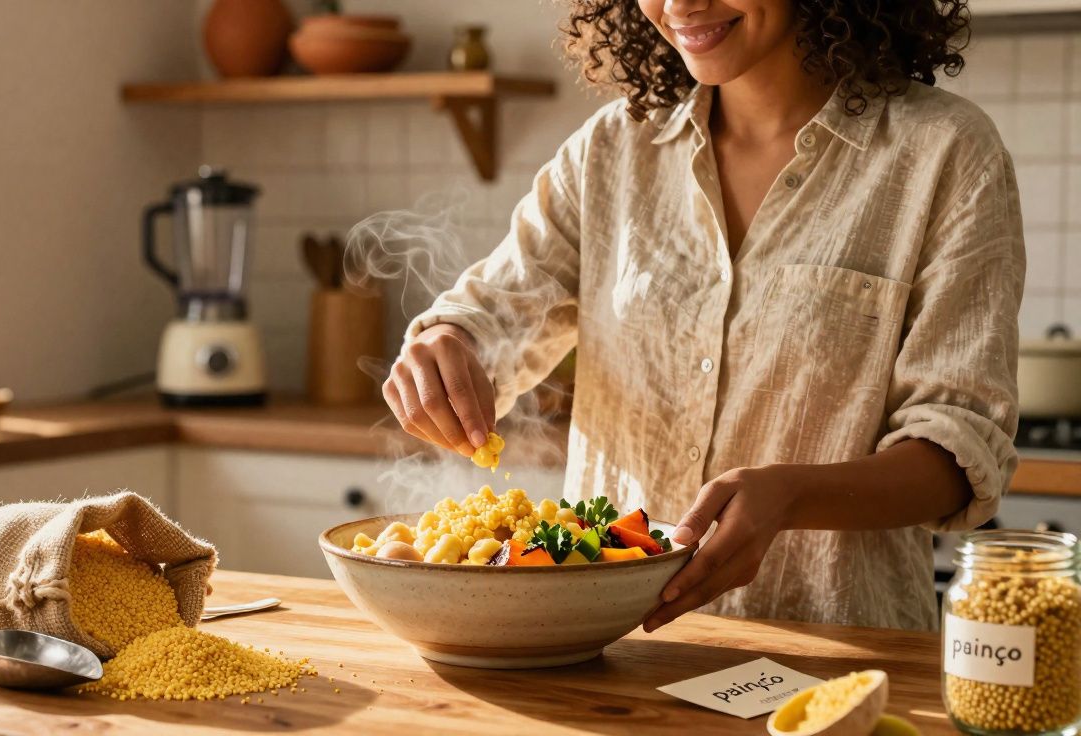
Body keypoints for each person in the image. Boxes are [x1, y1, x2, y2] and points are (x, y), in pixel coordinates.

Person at [381, 0, 1024, 632]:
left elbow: (956, 452)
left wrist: (793, 496)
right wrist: (447, 342)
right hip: (608, 647)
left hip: (831, 646)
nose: (681, 3)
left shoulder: (947, 154)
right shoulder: (611, 148)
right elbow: (494, 313)